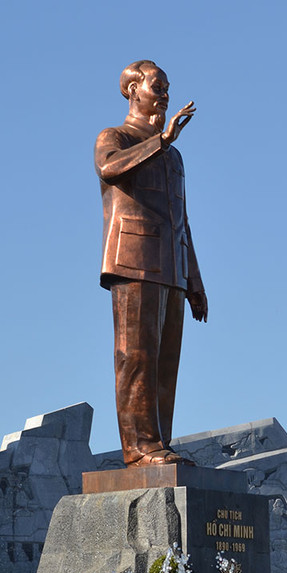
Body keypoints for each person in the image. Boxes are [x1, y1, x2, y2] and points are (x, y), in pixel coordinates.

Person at [95, 60, 208, 466]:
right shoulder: (117, 136)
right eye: (157, 87)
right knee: (136, 357)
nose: (164, 95)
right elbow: (109, 168)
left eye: (167, 88)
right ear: (133, 91)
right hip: (133, 260)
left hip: (172, 267)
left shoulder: (174, 157)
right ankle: (139, 448)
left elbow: (182, 219)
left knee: (164, 364)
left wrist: (194, 280)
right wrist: (161, 140)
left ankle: (160, 443)